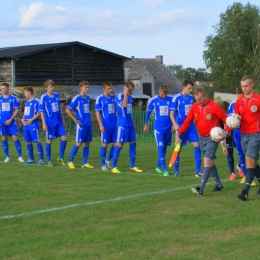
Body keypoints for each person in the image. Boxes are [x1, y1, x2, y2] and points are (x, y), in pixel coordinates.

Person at [175, 87, 230, 196]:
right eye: (196, 99)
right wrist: (179, 134)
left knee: (206, 160)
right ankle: (219, 184)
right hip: (202, 137)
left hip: (213, 138)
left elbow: (226, 120)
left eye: (200, 99)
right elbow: (187, 122)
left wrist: (226, 133)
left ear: (205, 96)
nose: (198, 102)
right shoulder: (195, 107)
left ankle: (200, 188)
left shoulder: (214, 106)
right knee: (210, 162)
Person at [235, 76, 260, 201]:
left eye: (247, 86)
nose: (244, 89)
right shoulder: (239, 102)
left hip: (255, 134)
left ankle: (245, 192)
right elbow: (234, 119)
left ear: (252, 85)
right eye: (243, 86)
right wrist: (226, 131)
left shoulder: (258, 99)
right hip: (243, 135)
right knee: (253, 163)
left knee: (249, 160)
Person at [170, 80, 202, 177]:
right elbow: (171, 113)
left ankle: (198, 171)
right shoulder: (176, 98)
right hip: (180, 126)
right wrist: (174, 124)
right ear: (183, 87)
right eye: (189, 88)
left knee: (197, 146)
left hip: (191, 126)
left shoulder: (192, 98)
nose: (190, 90)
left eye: (191, 88)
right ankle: (176, 171)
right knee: (178, 148)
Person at [111, 81, 143, 174]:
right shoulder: (119, 96)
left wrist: (133, 123)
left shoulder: (130, 97)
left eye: (132, 91)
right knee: (119, 145)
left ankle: (132, 166)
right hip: (122, 125)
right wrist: (125, 93)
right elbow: (124, 105)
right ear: (125, 88)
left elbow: (129, 112)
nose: (131, 92)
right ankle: (114, 167)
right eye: (130, 90)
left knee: (133, 144)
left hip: (129, 124)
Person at [143, 84, 174, 176]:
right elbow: (148, 112)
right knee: (160, 147)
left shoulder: (171, 99)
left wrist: (173, 124)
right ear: (159, 92)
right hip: (158, 129)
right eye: (162, 94)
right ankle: (165, 169)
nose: (164, 96)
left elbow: (173, 112)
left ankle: (157, 166)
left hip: (168, 128)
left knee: (164, 148)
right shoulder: (154, 100)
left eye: (165, 94)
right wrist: (146, 124)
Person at [66, 80, 94, 169]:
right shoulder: (77, 98)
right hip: (81, 125)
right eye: (86, 87)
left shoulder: (88, 98)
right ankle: (70, 161)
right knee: (78, 143)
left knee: (87, 143)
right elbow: (68, 110)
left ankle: (85, 162)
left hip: (88, 124)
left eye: (88, 87)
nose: (87, 89)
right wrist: (75, 120)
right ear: (81, 88)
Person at [39, 79, 67, 167]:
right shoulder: (43, 97)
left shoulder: (57, 96)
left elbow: (59, 109)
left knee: (64, 138)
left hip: (58, 121)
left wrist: (62, 120)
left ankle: (60, 157)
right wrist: (44, 123)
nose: (52, 88)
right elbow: (41, 111)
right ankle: (49, 160)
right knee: (49, 141)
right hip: (49, 123)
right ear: (46, 88)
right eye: (50, 86)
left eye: (53, 86)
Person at [95, 81, 117, 171]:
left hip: (114, 125)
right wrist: (100, 125)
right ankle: (102, 164)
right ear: (104, 89)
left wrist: (114, 92)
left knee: (116, 143)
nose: (110, 90)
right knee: (105, 144)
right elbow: (97, 112)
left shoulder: (113, 97)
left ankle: (108, 160)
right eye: (108, 88)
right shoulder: (100, 98)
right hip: (105, 125)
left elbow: (119, 101)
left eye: (111, 88)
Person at [0, 83, 24, 163]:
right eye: (1, 89)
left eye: (4, 88)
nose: (2, 90)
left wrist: (10, 120)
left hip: (12, 122)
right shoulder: (0, 98)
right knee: (4, 138)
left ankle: (20, 156)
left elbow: (16, 110)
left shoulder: (13, 98)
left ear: (8, 89)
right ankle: (7, 156)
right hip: (2, 122)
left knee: (15, 138)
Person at [21, 86, 44, 165]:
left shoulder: (37, 101)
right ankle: (31, 158)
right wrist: (22, 118)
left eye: (25, 93)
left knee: (36, 141)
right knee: (27, 142)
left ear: (29, 92)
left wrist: (31, 120)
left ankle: (41, 159)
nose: (24, 95)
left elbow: (39, 112)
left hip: (33, 124)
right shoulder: (27, 102)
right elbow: (25, 113)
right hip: (26, 125)